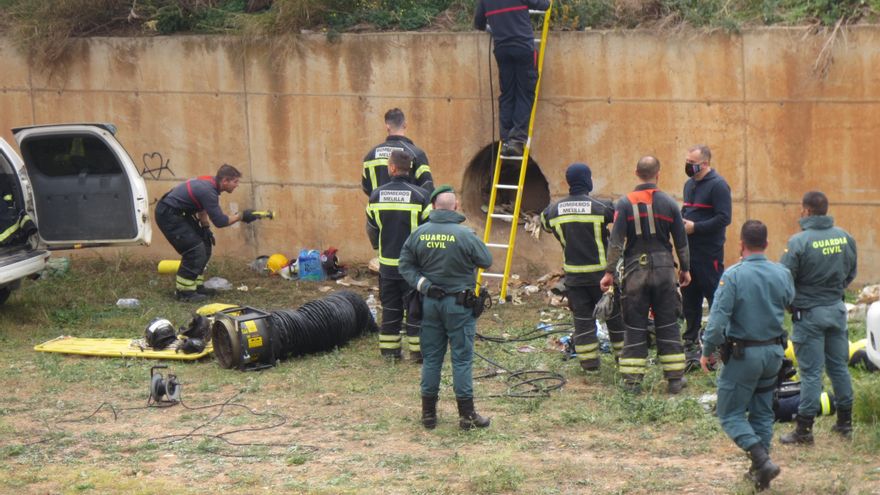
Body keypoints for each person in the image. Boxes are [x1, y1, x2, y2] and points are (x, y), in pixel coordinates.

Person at [699, 220, 794, 491]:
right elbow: (790, 302)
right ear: (766, 244)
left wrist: (707, 351)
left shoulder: (734, 275)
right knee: (763, 411)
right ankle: (760, 473)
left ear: (741, 244)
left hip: (744, 356)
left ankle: (762, 461)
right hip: (774, 353)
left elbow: (717, 321)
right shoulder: (782, 273)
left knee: (730, 413)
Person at [398, 185, 493, 430]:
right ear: (456, 207)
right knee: (461, 360)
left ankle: (428, 415)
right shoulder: (465, 235)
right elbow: (486, 260)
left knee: (431, 359)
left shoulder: (418, 234)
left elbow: (405, 266)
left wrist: (424, 285)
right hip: (459, 306)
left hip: (429, 303)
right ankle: (467, 416)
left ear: (432, 207)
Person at [599, 156, 691, 394]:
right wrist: (685, 269)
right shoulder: (670, 204)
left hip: (634, 273)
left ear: (636, 172)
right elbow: (681, 242)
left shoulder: (624, 204)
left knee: (635, 325)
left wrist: (609, 272)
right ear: (658, 174)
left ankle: (632, 382)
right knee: (668, 323)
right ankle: (674, 380)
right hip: (664, 272)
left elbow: (616, 243)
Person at [779, 191, 857, 445]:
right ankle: (845, 423)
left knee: (812, 373)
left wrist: (792, 304)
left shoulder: (798, 242)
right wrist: (833, 293)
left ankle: (804, 430)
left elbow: (784, 280)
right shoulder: (845, 237)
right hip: (836, 310)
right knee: (838, 368)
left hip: (809, 315)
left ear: (808, 211)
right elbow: (851, 273)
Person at [540, 163, 622, 372]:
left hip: (574, 277)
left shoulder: (553, 210)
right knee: (613, 317)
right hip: (601, 277)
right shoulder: (601, 206)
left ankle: (589, 364)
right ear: (587, 180)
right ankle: (624, 360)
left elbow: (544, 224)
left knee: (582, 320)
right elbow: (619, 220)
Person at [155, 164, 259, 302]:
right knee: (194, 250)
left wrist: (205, 229)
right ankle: (184, 292)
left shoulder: (211, 185)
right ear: (225, 181)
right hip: (168, 214)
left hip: (180, 214)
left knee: (205, 244)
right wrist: (241, 216)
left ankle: (196, 286)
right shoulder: (208, 191)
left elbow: (201, 207)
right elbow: (220, 221)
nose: (237, 185)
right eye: (235, 182)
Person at [366, 149, 432, 362]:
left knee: (390, 309)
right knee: (415, 311)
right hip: (413, 267)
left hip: (387, 266)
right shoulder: (421, 196)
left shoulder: (376, 196)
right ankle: (418, 354)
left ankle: (390, 353)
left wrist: (379, 246)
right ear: (409, 168)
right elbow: (429, 229)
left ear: (392, 168)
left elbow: (372, 228)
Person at [474, 0, 551, 156]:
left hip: (502, 49)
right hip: (523, 47)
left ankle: (506, 139)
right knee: (524, 93)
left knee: (508, 94)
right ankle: (516, 140)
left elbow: (478, 22)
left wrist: (491, 28)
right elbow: (544, 5)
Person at [680, 145, 731, 360]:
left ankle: (722, 345)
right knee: (689, 300)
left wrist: (696, 228)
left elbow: (724, 218)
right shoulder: (689, 185)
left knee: (715, 299)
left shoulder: (718, 186)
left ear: (706, 163)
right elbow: (688, 210)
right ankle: (690, 343)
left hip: (709, 254)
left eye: (692, 163)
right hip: (689, 254)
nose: (689, 166)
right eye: (687, 162)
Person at [362, 108, 433, 196]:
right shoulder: (417, 154)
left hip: (378, 208)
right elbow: (427, 188)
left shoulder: (370, 156)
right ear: (405, 125)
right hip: (409, 209)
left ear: (387, 127)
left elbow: (366, 188)